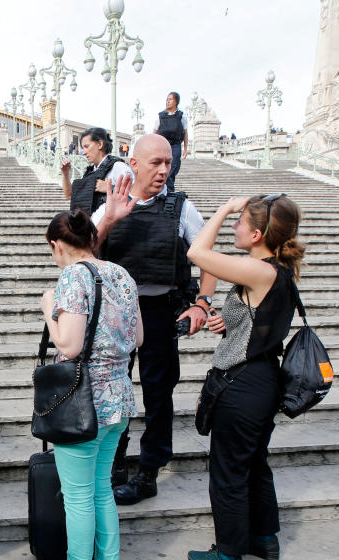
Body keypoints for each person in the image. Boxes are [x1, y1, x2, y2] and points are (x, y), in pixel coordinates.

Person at [92, 133, 218, 505]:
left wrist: (202, 304)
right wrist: (110, 219)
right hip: (117, 313)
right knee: (111, 391)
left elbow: (207, 258)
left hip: (160, 311)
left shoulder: (182, 208)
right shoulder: (110, 205)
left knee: (159, 394)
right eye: (156, 163)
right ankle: (114, 464)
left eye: (168, 162)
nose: (165, 169)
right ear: (134, 164)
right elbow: (85, 254)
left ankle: (148, 472)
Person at [185, 194, 304, 560]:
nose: (233, 227)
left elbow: (197, 252)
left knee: (229, 472)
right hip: (261, 380)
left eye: (239, 223)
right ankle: (264, 538)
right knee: (253, 465)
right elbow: (257, 323)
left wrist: (221, 209)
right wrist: (228, 325)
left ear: (256, 234)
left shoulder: (259, 271)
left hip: (243, 384)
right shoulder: (276, 272)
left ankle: (228, 555)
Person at [36, 210, 142, 560]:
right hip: (119, 397)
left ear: (57, 244)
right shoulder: (122, 274)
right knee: (101, 490)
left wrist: (50, 307)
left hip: (82, 403)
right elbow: (138, 338)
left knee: (79, 496)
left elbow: (69, 345)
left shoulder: (73, 276)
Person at [60, 127, 133, 216]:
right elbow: (70, 196)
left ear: (99, 144)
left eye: (86, 147)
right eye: (83, 148)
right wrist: (65, 174)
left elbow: (138, 197)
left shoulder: (118, 167)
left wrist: (110, 188)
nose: (84, 152)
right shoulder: (90, 172)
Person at [153, 92, 187, 192]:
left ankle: (169, 192)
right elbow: (154, 133)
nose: (168, 101)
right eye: (167, 99)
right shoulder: (160, 116)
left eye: (171, 99)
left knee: (173, 168)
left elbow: (185, 133)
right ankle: (163, 191)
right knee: (161, 168)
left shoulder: (182, 117)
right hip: (162, 145)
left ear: (176, 101)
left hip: (176, 145)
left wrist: (185, 148)